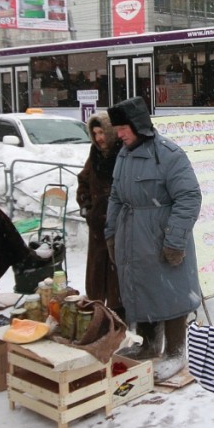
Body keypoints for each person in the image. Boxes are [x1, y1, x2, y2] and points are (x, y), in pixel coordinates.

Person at [105, 97, 202, 382]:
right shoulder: (123, 154)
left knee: (171, 293)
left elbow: (189, 197)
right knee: (141, 289)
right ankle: (148, 345)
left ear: (139, 125)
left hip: (160, 235)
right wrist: (111, 233)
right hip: (131, 237)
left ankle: (175, 351)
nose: (119, 134)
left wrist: (174, 240)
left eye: (124, 128)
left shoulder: (169, 154)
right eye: (117, 128)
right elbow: (115, 197)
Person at [76, 111, 123, 317]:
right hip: (97, 226)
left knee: (117, 276)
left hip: (120, 226)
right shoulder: (94, 154)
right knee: (96, 274)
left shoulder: (123, 153)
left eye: (102, 132)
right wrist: (87, 206)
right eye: (95, 133)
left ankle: (118, 316)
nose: (99, 138)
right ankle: (97, 312)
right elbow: (83, 181)